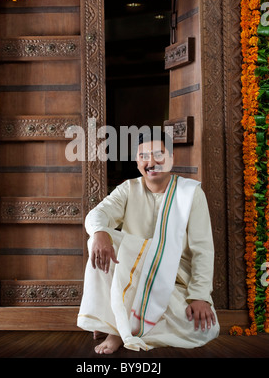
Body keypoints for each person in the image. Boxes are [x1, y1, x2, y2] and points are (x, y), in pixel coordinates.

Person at [77, 131, 220, 354]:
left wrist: (199, 297)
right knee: (101, 240)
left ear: (172, 158)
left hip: (172, 281)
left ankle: (114, 320)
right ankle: (116, 329)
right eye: (144, 156)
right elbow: (98, 214)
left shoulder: (190, 193)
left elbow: (203, 250)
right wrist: (99, 232)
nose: (151, 162)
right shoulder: (128, 189)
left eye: (158, 155)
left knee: (203, 330)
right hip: (130, 274)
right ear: (136, 161)